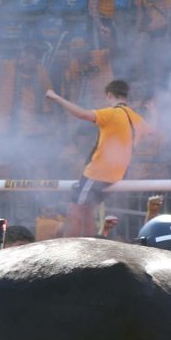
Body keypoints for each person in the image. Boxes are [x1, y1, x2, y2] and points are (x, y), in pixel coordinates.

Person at [48, 79, 141, 236]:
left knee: (76, 212)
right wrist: (154, 111)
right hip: (117, 174)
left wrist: (57, 98)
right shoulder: (134, 117)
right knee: (86, 211)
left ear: (109, 95)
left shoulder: (112, 113)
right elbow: (154, 133)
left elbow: (82, 114)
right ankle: (89, 246)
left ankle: (71, 248)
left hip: (98, 173)